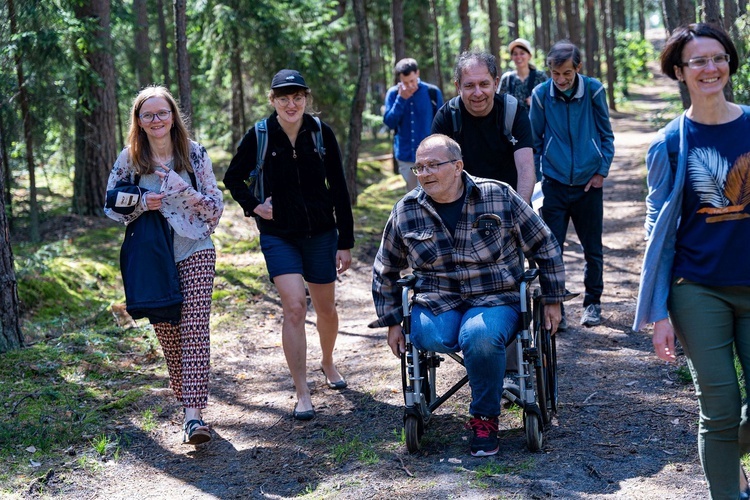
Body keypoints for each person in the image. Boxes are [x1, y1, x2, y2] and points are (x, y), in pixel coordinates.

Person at [371, 134, 565, 457]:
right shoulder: (406, 211)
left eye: (434, 165)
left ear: (458, 166)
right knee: (427, 333)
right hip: (437, 300)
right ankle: (441, 389)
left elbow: (544, 243)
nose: (425, 173)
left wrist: (553, 298)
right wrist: (392, 321)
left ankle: (485, 418)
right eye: (419, 167)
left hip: (494, 298)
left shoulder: (498, 196)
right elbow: (384, 268)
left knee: (478, 335)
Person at [633, 23, 750, 500]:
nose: (710, 68)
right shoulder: (670, 142)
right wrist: (658, 309)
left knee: (728, 420)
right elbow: (657, 229)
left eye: (717, 57)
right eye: (698, 61)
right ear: (680, 72)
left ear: (730, 62)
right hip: (697, 287)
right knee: (720, 405)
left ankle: (724, 451)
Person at [223, 69, 354, 421]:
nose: (291, 103)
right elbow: (233, 177)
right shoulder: (260, 135)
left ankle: (327, 362)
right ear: (273, 100)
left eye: (297, 97)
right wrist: (254, 206)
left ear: (306, 98)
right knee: (294, 307)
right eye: (283, 97)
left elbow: (339, 187)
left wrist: (346, 240)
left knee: (325, 308)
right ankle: (302, 392)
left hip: (322, 233)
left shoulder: (320, 133)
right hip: (278, 234)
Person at [104, 86, 224, 445]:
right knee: (170, 336)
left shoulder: (194, 154)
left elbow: (215, 207)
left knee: (194, 327)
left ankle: (193, 417)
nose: (156, 120)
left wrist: (178, 187)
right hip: (154, 259)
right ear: (139, 122)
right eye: (148, 115)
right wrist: (143, 202)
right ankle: (186, 397)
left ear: (173, 116)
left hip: (195, 247)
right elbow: (111, 206)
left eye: (162, 113)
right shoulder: (131, 158)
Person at [529, 41, 615, 329]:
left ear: (578, 68)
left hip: (588, 185)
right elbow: (535, 141)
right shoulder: (541, 95)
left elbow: (606, 136)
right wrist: (540, 181)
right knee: (551, 251)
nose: (561, 80)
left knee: (592, 248)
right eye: (555, 74)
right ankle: (557, 309)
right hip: (554, 185)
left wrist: (601, 171)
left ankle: (592, 303)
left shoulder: (593, 90)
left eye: (566, 73)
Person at [431, 51, 536, 203]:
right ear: (458, 86)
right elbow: (436, 170)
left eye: (484, 84)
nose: (478, 93)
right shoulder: (447, 117)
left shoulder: (513, 112)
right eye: (469, 85)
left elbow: (525, 167)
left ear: (495, 83)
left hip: (510, 201)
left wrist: (521, 211)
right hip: (463, 204)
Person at [383, 58, 444, 191]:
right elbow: (389, 123)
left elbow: (442, 124)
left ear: (418, 73)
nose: (409, 85)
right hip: (406, 156)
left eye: (412, 81)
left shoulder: (432, 92)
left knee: (432, 194)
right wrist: (401, 99)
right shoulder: (393, 94)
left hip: (431, 156)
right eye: (405, 82)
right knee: (413, 197)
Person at [497, 38, 548, 113]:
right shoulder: (507, 79)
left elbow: (550, 101)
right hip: (513, 124)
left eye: (522, 53)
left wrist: (536, 102)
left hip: (535, 123)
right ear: (512, 57)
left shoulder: (540, 77)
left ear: (529, 56)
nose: (518, 57)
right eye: (515, 54)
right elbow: (498, 104)